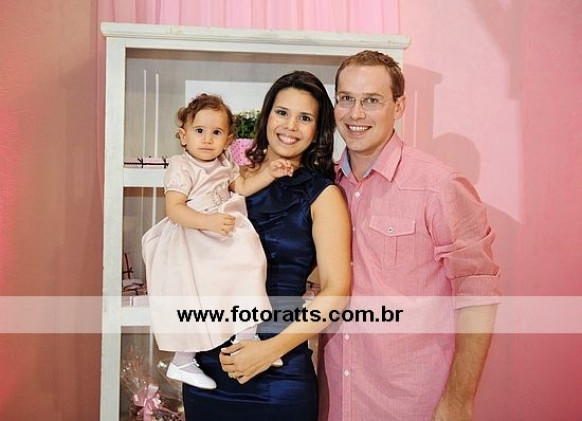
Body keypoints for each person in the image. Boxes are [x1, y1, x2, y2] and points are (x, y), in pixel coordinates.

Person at [318, 50, 501, 421]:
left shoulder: (439, 185)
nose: (355, 114)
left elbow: (477, 296)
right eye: (346, 98)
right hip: (335, 400)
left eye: (372, 100)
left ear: (399, 106)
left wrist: (459, 400)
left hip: (411, 403)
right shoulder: (325, 186)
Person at [181, 71, 352, 420]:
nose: (290, 126)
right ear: (267, 115)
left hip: (279, 373)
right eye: (282, 112)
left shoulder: (323, 195)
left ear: (318, 130)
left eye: (305, 118)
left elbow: (337, 291)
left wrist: (269, 350)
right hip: (208, 368)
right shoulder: (228, 177)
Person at [142, 93, 292, 390]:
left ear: (228, 140)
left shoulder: (224, 164)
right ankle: (183, 360)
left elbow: (244, 186)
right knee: (194, 295)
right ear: (183, 136)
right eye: (199, 131)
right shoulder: (181, 166)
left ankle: (246, 337)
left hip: (220, 234)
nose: (207, 139)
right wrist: (206, 221)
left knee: (250, 265)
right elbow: (174, 209)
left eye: (216, 132)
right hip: (191, 235)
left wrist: (270, 173)